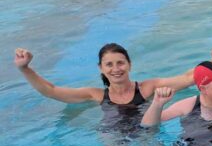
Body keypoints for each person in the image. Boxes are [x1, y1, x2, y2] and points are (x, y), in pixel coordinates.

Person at [13, 44, 196, 132]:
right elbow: (51, 91)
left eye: (120, 63)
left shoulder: (148, 88)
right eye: (109, 64)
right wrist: (24, 68)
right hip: (113, 134)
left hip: (146, 131)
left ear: (129, 65)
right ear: (101, 68)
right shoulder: (95, 95)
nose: (116, 69)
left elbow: (188, 78)